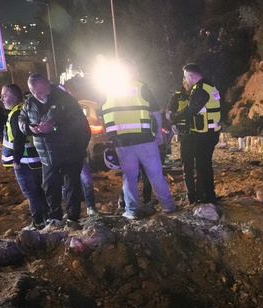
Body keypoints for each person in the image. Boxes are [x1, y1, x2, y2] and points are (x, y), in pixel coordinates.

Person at [100, 58, 176, 219]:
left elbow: (103, 114)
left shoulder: (108, 89)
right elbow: (154, 112)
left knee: (130, 176)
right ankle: (168, 207)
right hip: (144, 139)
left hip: (122, 142)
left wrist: (111, 135)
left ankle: (132, 210)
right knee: (155, 174)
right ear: (133, 71)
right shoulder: (141, 86)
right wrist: (159, 133)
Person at [19, 73, 91, 226]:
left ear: (48, 87)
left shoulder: (65, 100)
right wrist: (30, 129)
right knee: (50, 187)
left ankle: (72, 218)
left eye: (38, 91)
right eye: (32, 91)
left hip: (70, 152)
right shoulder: (30, 103)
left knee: (72, 187)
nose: (35, 95)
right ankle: (55, 218)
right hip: (47, 156)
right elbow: (22, 119)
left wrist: (54, 128)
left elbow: (79, 124)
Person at [170, 63, 221, 205]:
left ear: (191, 76)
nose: (185, 80)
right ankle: (208, 195)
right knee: (204, 165)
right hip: (212, 132)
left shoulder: (200, 90)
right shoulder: (211, 86)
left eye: (185, 77)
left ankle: (208, 197)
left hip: (205, 134)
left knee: (203, 166)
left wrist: (173, 117)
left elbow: (190, 110)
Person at [0, 83, 46, 229]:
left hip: (25, 162)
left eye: (4, 95)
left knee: (31, 193)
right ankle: (48, 219)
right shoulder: (26, 109)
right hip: (36, 160)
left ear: (13, 96)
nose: (1, 99)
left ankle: (38, 222)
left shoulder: (16, 114)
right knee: (39, 192)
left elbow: (19, 138)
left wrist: (16, 160)